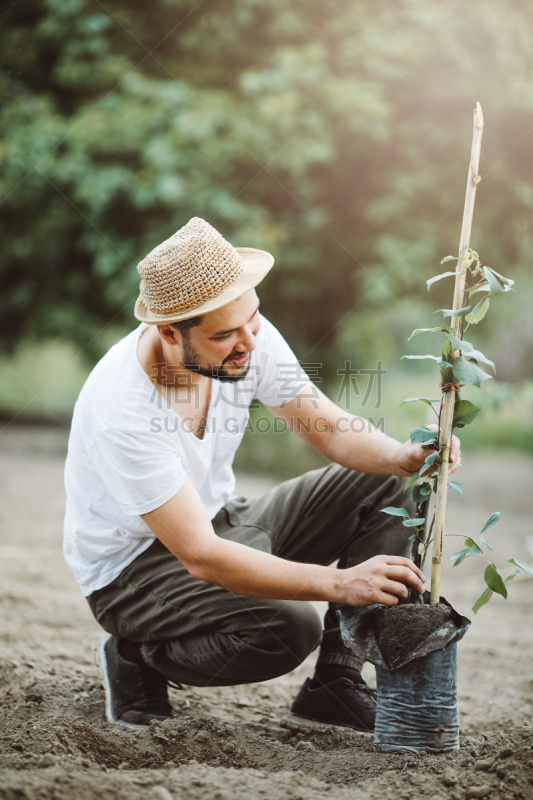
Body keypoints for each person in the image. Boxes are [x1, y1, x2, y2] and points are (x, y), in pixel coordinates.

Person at [63, 217, 461, 732]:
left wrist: (403, 456)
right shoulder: (123, 410)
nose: (248, 341)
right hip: (133, 572)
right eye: (225, 334)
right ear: (167, 333)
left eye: (253, 318)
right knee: (287, 630)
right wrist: (341, 583)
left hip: (221, 520)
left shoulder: (244, 333)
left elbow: (329, 430)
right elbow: (202, 556)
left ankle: (334, 686)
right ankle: (135, 655)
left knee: (388, 485)